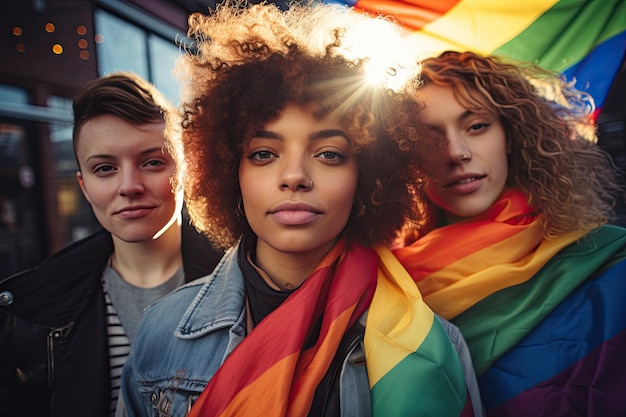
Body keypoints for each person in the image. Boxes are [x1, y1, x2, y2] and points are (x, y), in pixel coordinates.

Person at [120, 3, 484, 417]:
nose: (294, 176)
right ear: (228, 172)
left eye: (328, 154)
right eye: (263, 154)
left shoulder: (434, 345)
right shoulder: (163, 332)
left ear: (367, 176)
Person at [392, 51, 626, 417]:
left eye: (477, 126)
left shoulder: (611, 262)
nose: (457, 153)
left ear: (512, 135)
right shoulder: (389, 287)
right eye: (430, 138)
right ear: (404, 158)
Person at [0, 72, 224, 417]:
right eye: (105, 168)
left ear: (188, 171)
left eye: (152, 162)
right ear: (84, 186)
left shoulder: (249, 281)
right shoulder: (29, 317)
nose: (129, 186)